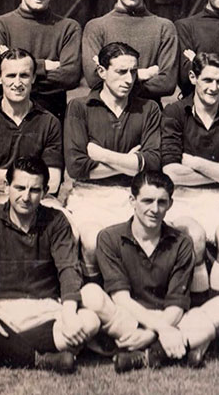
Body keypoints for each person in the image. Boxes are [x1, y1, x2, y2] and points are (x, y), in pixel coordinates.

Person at [82, 171, 219, 372]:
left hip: (169, 317)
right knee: (90, 294)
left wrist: (151, 333)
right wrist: (162, 330)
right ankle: (184, 344)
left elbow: (177, 305)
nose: (154, 209)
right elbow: (121, 299)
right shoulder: (109, 238)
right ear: (132, 200)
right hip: (129, 318)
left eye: (161, 202)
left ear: (170, 204)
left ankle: (147, 353)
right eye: (147, 201)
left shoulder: (181, 242)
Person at [0, 157, 100, 373]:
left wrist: (70, 313)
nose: (26, 197)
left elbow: (68, 270)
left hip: (42, 309)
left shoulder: (57, 220)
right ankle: (39, 359)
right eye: (19, 188)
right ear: (7, 187)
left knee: (89, 321)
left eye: (35, 190)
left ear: (45, 192)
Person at [65, 42, 162, 277]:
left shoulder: (149, 109)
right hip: (89, 196)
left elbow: (152, 162)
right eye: (121, 71)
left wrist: (101, 155)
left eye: (133, 72)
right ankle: (93, 299)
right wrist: (130, 162)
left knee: (141, 248)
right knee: (92, 242)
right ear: (102, 72)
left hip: (133, 196)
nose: (129, 79)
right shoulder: (79, 107)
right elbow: (77, 167)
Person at [161, 52, 219, 297]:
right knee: (194, 236)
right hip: (182, 199)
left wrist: (193, 161)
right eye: (208, 80)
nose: (214, 88)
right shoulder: (175, 112)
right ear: (193, 77)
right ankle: (199, 305)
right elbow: (171, 173)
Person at [0, 48, 64, 249]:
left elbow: (54, 181)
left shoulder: (49, 122)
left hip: (36, 199)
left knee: (66, 226)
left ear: (33, 78)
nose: (17, 83)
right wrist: (33, 177)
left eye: (24, 75)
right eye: (11, 75)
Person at [0, 0, 82, 122]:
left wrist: (15, 68)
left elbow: (71, 76)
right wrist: (46, 65)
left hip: (52, 116)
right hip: (5, 117)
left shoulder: (69, 27)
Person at [82, 0, 178, 105]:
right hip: (106, 113)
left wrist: (114, 78)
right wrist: (143, 74)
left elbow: (167, 83)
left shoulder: (164, 27)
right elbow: (94, 79)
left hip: (149, 114)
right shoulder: (96, 27)